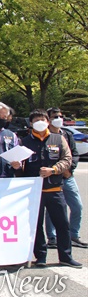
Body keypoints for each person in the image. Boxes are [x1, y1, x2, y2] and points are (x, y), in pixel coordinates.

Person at [18, 109, 81, 268]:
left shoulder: (58, 139)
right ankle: (40, 257)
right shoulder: (24, 142)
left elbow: (67, 159)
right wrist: (16, 166)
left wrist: (53, 170)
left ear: (48, 122)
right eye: (36, 120)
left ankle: (66, 257)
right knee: (36, 225)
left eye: (43, 119)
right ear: (31, 123)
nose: (40, 122)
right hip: (33, 192)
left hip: (54, 189)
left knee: (62, 224)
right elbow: (19, 169)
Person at [44, 107, 87, 249]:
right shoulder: (45, 135)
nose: (58, 119)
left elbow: (74, 154)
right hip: (52, 177)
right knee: (53, 210)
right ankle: (52, 237)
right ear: (48, 119)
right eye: (55, 116)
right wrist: (56, 170)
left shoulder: (67, 134)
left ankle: (74, 235)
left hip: (68, 177)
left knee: (77, 206)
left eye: (60, 116)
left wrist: (69, 169)